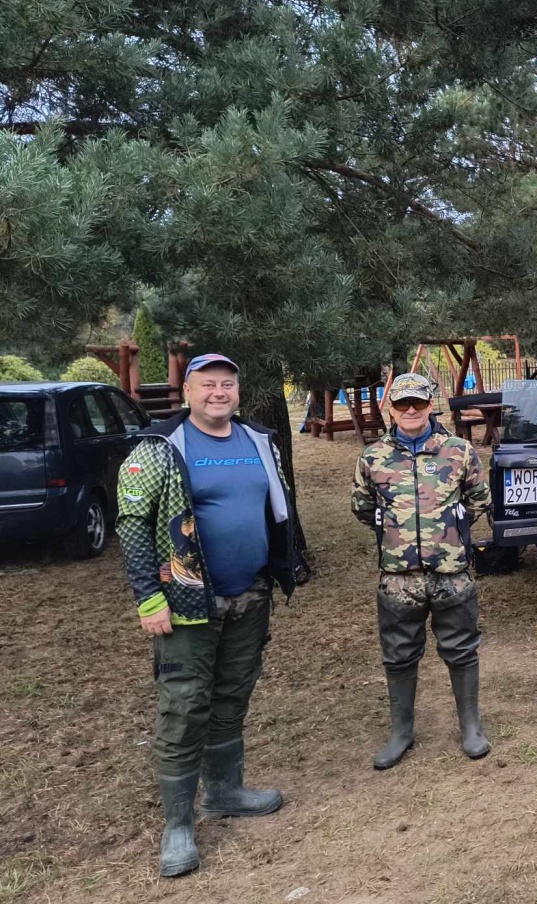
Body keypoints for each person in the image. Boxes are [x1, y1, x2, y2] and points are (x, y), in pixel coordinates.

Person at [117, 353, 298, 878]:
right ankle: (178, 825)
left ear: (237, 391)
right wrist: (149, 598)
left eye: (227, 384)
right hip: (186, 602)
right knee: (184, 704)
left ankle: (224, 791)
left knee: (232, 693)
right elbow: (132, 523)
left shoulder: (258, 440)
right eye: (208, 384)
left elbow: (275, 508)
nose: (219, 392)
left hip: (249, 595)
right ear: (188, 392)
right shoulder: (160, 446)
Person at [351, 372, 492, 770]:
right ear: (391, 409)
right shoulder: (373, 457)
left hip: (451, 573)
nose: (410, 409)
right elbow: (362, 507)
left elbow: (479, 498)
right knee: (398, 654)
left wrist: (446, 531)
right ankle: (401, 731)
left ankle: (471, 726)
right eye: (402, 403)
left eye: (418, 402)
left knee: (461, 648)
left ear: (431, 404)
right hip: (399, 578)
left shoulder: (458, 451)